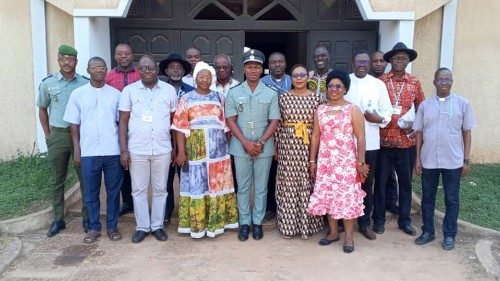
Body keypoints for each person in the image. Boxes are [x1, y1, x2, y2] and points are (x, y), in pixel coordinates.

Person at [172, 61, 239, 238]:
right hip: (195, 150)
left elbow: (227, 127)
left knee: (217, 185)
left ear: (212, 78)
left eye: (208, 76)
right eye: (201, 76)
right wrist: (181, 152)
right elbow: (180, 127)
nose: (204, 79)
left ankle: (217, 224)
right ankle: (197, 225)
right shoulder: (186, 98)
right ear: (195, 79)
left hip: (218, 152)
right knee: (197, 185)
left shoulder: (219, 98)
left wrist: (229, 150)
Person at [413, 67, 476, 250]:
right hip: (429, 160)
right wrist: (417, 159)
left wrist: (466, 160)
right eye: (440, 79)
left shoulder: (462, 104)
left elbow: (467, 133)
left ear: (452, 81)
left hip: (453, 161)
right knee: (427, 198)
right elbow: (419, 133)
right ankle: (428, 232)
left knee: (451, 199)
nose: (444, 83)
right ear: (434, 82)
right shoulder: (425, 105)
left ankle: (449, 235)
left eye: (447, 79)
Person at [307, 69, 368, 253]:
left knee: (346, 198)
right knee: (328, 196)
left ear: (345, 89)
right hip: (326, 162)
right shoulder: (321, 109)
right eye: (331, 86)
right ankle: (333, 232)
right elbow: (316, 137)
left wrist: (361, 162)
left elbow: (361, 136)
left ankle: (349, 237)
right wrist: (312, 161)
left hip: (346, 163)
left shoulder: (352, 109)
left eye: (338, 86)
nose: (334, 89)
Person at [64, 57, 123, 244]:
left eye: (102, 67)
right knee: (90, 192)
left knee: (113, 192)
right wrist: (77, 149)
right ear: (88, 70)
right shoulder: (78, 94)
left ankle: (112, 227)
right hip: (88, 151)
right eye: (94, 67)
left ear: (106, 70)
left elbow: (121, 123)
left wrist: (123, 150)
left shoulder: (115, 94)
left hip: (112, 150)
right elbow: (74, 125)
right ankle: (94, 227)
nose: (98, 70)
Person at [118, 55, 177, 243]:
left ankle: (157, 225)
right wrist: (124, 150)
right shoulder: (129, 91)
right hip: (137, 148)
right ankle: (142, 226)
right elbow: (123, 122)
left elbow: (173, 121)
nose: (147, 71)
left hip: (162, 148)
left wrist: (175, 147)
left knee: (161, 189)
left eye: (150, 68)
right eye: (143, 68)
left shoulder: (168, 91)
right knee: (138, 190)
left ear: (157, 69)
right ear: (138, 70)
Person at [225, 49, 280, 241]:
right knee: (244, 186)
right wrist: (246, 142)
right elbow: (230, 120)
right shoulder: (234, 92)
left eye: (257, 67)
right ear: (244, 69)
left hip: (264, 146)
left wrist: (262, 141)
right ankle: (244, 222)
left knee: (261, 186)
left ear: (262, 69)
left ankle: (257, 222)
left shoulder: (270, 92)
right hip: (241, 146)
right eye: (249, 67)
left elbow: (274, 120)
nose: (253, 70)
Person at [373, 42, 425, 236]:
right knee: (380, 183)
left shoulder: (414, 83)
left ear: (408, 60)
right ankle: (378, 220)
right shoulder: (381, 81)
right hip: (384, 142)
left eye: (403, 58)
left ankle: (405, 221)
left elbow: (422, 107)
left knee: (405, 184)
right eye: (396, 58)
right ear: (390, 61)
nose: (399, 61)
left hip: (406, 143)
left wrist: (415, 126)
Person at [37, 44, 89, 237]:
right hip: (58, 134)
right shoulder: (48, 84)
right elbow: (42, 108)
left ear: (76, 61)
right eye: (63, 58)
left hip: (81, 135)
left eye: (71, 59)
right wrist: (48, 134)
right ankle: (58, 219)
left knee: (85, 179)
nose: (67, 62)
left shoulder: (84, 83)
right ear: (58, 60)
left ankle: (87, 218)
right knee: (57, 179)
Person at [345, 51, 392, 240]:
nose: (362, 65)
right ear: (353, 63)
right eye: (358, 61)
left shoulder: (378, 84)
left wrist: (378, 119)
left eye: (365, 61)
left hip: (371, 143)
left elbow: (387, 111)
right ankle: (343, 220)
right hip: (344, 144)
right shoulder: (344, 82)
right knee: (344, 183)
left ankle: (364, 222)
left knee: (366, 183)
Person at [275, 64, 324, 239]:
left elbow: (321, 128)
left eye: (302, 74)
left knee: (308, 184)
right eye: (295, 75)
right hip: (288, 148)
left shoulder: (318, 98)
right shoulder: (284, 98)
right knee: (288, 186)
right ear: (291, 77)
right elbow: (278, 125)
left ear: (307, 77)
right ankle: (288, 227)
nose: (299, 78)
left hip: (309, 147)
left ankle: (307, 226)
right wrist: (277, 148)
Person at [105, 43, 141, 217]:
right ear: (115, 56)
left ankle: (138, 200)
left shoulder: (141, 74)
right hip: (116, 126)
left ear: (132, 55)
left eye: (127, 53)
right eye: (120, 54)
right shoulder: (108, 76)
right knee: (122, 164)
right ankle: (127, 201)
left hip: (137, 126)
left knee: (137, 163)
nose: (124, 56)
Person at [158, 53, 195, 224]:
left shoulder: (191, 91)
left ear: (184, 71)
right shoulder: (159, 89)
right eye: (172, 67)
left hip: (186, 142)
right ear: (166, 70)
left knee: (186, 179)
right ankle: (166, 212)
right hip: (162, 140)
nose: (175, 70)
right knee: (165, 180)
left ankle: (185, 212)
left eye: (179, 68)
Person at [260, 52, 292, 221]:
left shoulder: (293, 80)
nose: (277, 64)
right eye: (273, 62)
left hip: (291, 134)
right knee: (270, 172)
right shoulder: (262, 83)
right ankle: (270, 208)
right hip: (269, 132)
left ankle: (287, 208)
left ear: (285, 64)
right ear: (269, 65)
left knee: (288, 173)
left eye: (280, 61)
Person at [371, 51, 400, 215]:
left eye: (381, 61)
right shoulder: (367, 82)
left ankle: (391, 202)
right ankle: (375, 206)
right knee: (375, 174)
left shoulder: (390, 81)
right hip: (372, 135)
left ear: (386, 63)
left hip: (391, 135)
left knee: (389, 173)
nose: (378, 64)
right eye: (374, 61)